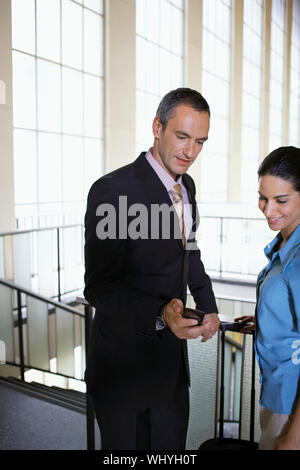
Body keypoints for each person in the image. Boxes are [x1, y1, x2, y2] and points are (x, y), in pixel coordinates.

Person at [84, 87, 220, 450]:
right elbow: (99, 287)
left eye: (200, 142)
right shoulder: (113, 191)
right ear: (157, 127)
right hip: (124, 368)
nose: (190, 152)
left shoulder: (186, 186)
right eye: (182, 136)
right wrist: (160, 313)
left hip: (170, 370)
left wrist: (209, 306)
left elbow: (189, 251)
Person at [235, 146, 300, 450]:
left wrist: (293, 438)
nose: (268, 209)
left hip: (291, 404)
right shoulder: (283, 245)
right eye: (263, 197)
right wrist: (266, 321)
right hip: (276, 393)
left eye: (281, 200)